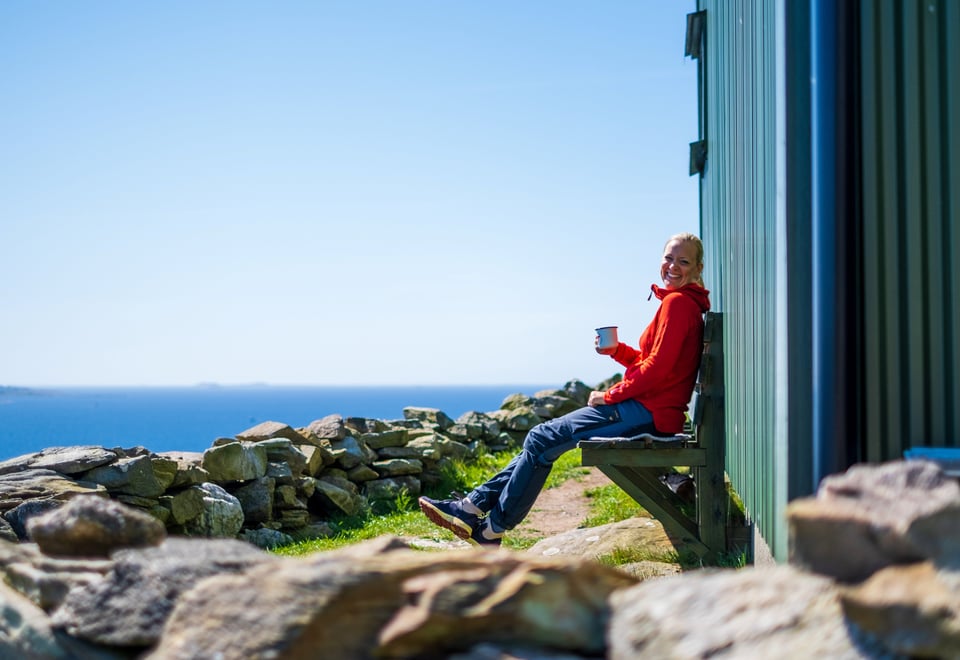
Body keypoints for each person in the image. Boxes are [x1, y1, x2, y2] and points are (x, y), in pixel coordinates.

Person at [419, 232, 711, 546]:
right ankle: (473, 512)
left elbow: (658, 370)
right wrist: (617, 351)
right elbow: (653, 360)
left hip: (649, 413)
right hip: (650, 407)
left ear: (698, 268)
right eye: (669, 258)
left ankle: (490, 526)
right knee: (541, 440)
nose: (673, 266)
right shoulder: (679, 303)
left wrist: (609, 395)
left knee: (542, 438)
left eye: (683, 261)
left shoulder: (678, 304)